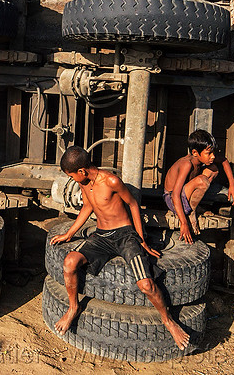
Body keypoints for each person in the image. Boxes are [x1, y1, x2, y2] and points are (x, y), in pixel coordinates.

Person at [50, 145, 190, 351]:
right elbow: (88, 206)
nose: (72, 180)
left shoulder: (111, 181)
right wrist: (69, 233)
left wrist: (141, 240)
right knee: (69, 262)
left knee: (146, 285)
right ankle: (73, 307)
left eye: (72, 176)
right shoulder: (84, 183)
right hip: (101, 237)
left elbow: (133, 205)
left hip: (125, 236)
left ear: (81, 171)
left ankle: (168, 321)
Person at [163, 129, 234, 244]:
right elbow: (175, 194)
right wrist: (183, 223)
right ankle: (190, 213)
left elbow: (223, 160)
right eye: (209, 153)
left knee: (213, 170)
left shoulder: (202, 158)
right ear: (195, 152)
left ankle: (192, 208)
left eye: (213, 152)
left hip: (184, 196)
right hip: (172, 200)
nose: (213, 156)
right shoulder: (186, 164)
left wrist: (232, 185)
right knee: (202, 180)